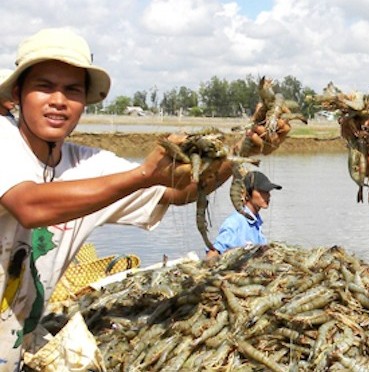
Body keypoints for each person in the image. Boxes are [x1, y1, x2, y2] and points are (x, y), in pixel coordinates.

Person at [0, 27, 267, 367]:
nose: (58, 100)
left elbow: (176, 191)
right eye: (44, 87)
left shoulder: (89, 165)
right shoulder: (3, 140)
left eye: (72, 90)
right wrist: (143, 174)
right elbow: (29, 205)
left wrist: (242, 153)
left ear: (84, 101)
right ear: (18, 94)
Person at [208, 171, 281, 258]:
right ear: (247, 194)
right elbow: (213, 254)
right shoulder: (235, 222)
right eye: (262, 191)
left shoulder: (256, 223)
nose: (268, 195)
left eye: (268, 191)